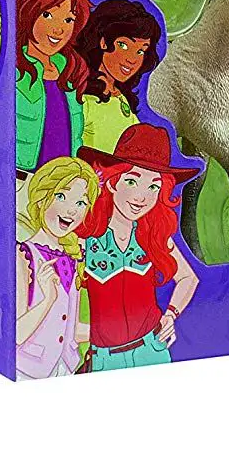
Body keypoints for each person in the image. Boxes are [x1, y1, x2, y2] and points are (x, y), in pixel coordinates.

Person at [79, 126, 200, 371]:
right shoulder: (86, 239)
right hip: (104, 359)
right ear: (112, 182)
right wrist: (81, 334)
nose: (141, 197)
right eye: (132, 181)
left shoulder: (152, 236)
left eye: (153, 187)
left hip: (152, 350)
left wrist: (171, 314)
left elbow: (189, 278)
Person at [15, 156, 99, 379]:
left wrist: (117, 332)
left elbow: (71, 329)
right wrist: (48, 299)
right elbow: (16, 332)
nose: (71, 211)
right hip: (26, 371)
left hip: (65, 368)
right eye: (61, 196)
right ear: (41, 199)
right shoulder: (23, 255)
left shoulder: (74, 257)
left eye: (81, 203)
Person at [16, 0, 92, 181]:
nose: (59, 29)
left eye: (68, 19)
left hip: (64, 183)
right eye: (48, 15)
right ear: (28, 11)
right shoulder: (13, 68)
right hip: (23, 180)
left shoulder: (70, 70)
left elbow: (74, 134)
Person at [75, 0, 163, 155]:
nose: (132, 59)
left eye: (140, 51)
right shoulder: (84, 98)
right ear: (103, 42)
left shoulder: (120, 97)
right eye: (123, 45)